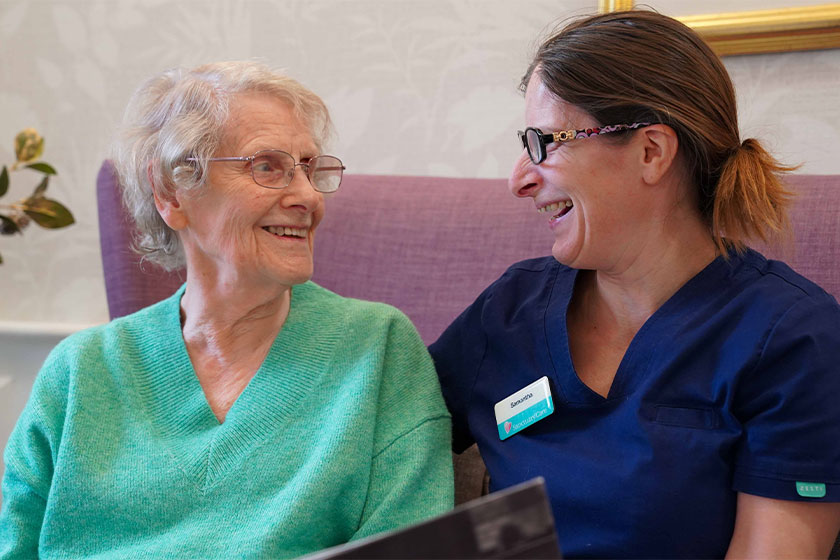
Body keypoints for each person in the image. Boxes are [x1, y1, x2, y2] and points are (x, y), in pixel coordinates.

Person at [0, 61, 453, 559]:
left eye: (309, 167)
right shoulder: (79, 371)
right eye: (267, 167)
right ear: (172, 191)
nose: (306, 197)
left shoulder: (378, 349)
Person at [430, 10, 840, 559]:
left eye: (546, 142)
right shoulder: (510, 311)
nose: (519, 178)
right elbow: (375, 442)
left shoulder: (793, 339)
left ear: (651, 151)